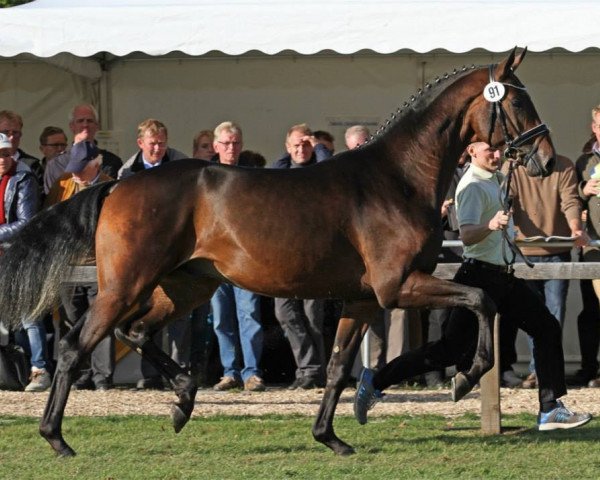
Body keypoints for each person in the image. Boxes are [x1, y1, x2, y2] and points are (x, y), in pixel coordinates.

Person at [354, 141, 593, 431]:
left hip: (503, 276)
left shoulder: (496, 177)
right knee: (448, 351)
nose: (495, 155)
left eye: (497, 149)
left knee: (546, 328)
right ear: (471, 152)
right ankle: (376, 381)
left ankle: (550, 409)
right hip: (478, 278)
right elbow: (467, 235)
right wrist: (490, 225)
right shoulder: (470, 187)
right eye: (489, 150)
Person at [504, 154, 586, 389]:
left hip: (557, 249)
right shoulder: (513, 167)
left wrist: (575, 229)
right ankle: (537, 369)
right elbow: (506, 198)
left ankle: (548, 370)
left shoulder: (564, 165)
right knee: (532, 315)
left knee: (555, 313)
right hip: (524, 252)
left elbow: (570, 200)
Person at [118, 118, 188, 389]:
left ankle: (180, 369)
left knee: (177, 311)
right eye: (153, 143)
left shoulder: (180, 164)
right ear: (140, 144)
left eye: (161, 143)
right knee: (148, 311)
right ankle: (151, 374)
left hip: (176, 250)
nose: (158, 148)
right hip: (146, 253)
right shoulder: (128, 172)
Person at [45, 141, 116, 391]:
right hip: (68, 265)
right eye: (73, 167)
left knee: (101, 320)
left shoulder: (111, 187)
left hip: (100, 265)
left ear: (95, 163)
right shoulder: (62, 185)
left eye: (81, 168)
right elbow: (49, 217)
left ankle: (102, 377)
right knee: (72, 319)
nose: (76, 173)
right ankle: (80, 373)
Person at [272, 124, 332, 389]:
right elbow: (267, 174)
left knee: (313, 316)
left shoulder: (319, 171)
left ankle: (312, 374)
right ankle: (310, 367)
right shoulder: (282, 173)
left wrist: (317, 145)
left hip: (314, 258)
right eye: (295, 145)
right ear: (287, 148)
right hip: (283, 256)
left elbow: (332, 170)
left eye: (305, 145)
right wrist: (295, 144)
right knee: (284, 312)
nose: (300, 149)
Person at [210, 121, 265, 392]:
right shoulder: (206, 176)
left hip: (244, 257)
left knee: (249, 315)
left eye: (235, 143)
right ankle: (229, 372)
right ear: (216, 146)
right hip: (214, 257)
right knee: (221, 319)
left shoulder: (252, 175)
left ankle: (252, 373)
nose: (231, 148)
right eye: (226, 143)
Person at [0, 132, 50, 392]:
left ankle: (39, 369)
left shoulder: (24, 178)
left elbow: (26, 223)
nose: (3, 159)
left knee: (29, 314)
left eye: (7, 153)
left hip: (20, 255)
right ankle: (18, 371)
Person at [43, 104, 122, 194]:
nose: (85, 125)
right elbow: (51, 202)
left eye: (90, 121)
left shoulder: (113, 162)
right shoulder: (55, 165)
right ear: (71, 126)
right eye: (80, 121)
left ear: (97, 126)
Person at [575, 104, 600, 387]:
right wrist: (584, 191)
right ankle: (588, 367)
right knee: (591, 311)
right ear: (594, 127)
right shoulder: (583, 162)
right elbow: (570, 201)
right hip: (593, 247)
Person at [0, 110, 44, 193]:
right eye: (5, 132)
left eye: (15, 133)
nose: (11, 137)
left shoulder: (33, 165)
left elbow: (40, 197)